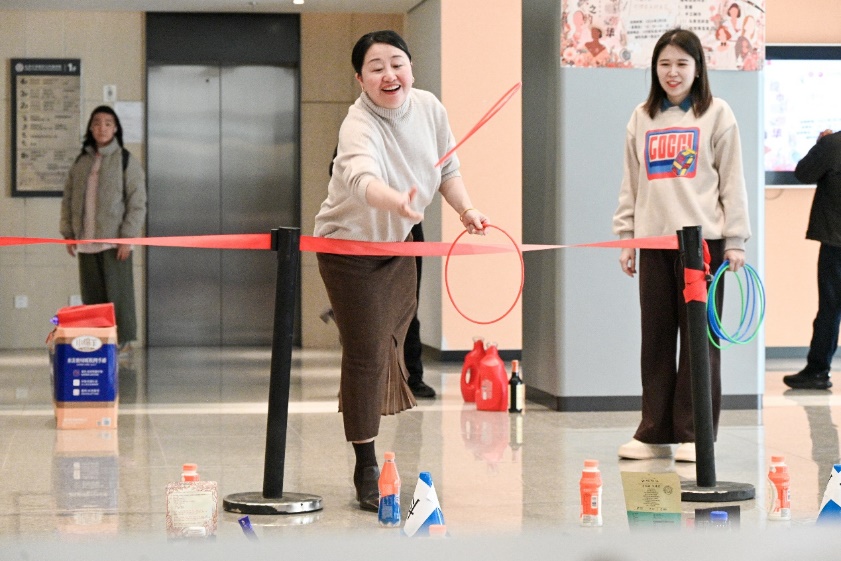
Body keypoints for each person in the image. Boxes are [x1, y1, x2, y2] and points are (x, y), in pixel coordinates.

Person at [314, 30, 487, 511]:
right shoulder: (358, 124)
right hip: (348, 248)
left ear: (411, 68)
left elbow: (447, 169)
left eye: (397, 63)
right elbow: (360, 178)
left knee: (393, 336)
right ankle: (366, 465)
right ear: (360, 79)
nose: (389, 75)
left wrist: (467, 210)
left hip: (400, 244)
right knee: (367, 351)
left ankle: (354, 321)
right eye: (376, 68)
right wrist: (397, 200)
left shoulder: (429, 108)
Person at [612, 29, 751, 462]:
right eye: (665, 64)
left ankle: (695, 435)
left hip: (703, 247)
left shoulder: (718, 114)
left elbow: (733, 182)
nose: (672, 73)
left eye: (681, 64)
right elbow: (631, 183)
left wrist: (735, 240)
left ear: (697, 68)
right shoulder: (642, 117)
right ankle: (654, 434)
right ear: (655, 69)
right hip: (654, 243)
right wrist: (627, 238)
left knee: (699, 342)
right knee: (655, 339)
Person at [60, 105, 146, 354]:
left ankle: (123, 344)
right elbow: (68, 199)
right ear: (90, 128)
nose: (102, 128)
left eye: (108, 123)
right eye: (97, 123)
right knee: (92, 298)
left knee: (118, 297)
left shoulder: (125, 160)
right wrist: (68, 233)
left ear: (116, 128)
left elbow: (137, 203)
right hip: (86, 243)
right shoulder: (81, 162)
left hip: (114, 243)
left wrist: (127, 238)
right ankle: (98, 345)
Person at [783, 129, 841, 390]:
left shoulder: (833, 143)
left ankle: (817, 371)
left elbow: (803, 173)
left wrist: (820, 144)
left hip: (836, 243)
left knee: (830, 309)